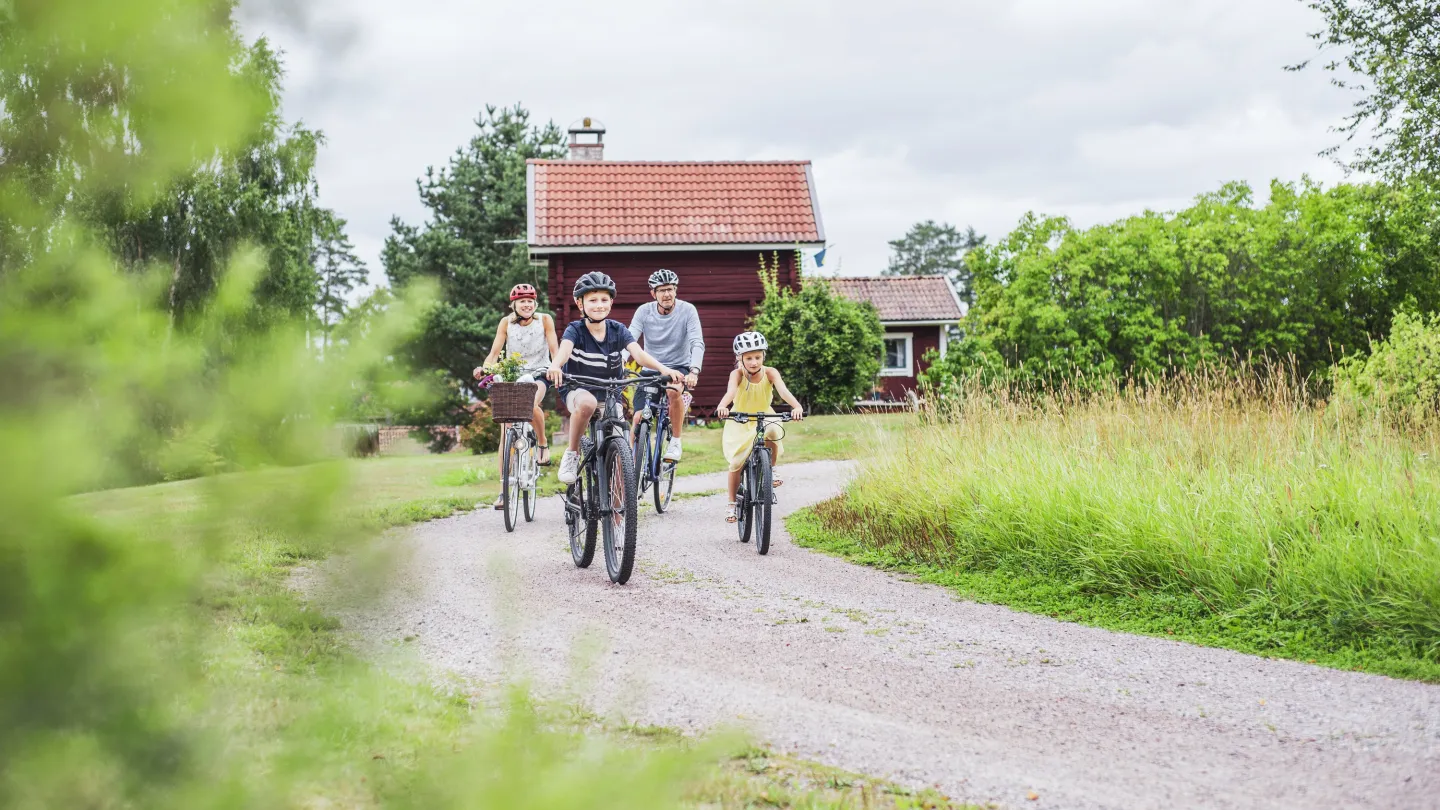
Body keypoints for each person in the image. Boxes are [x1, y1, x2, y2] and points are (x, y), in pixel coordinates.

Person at [547, 272, 683, 485]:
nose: (599, 305)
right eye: (592, 300)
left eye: (603, 299)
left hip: (610, 393)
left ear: (611, 302)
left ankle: (620, 510)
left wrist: (664, 369)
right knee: (588, 403)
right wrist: (555, 366)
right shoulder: (576, 330)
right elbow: (564, 352)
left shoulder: (618, 330)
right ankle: (572, 453)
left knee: (622, 450)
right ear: (579, 303)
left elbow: (638, 354)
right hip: (579, 389)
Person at [474, 283, 558, 509]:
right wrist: (485, 368)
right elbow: (494, 353)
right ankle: (503, 490)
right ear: (514, 305)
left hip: (540, 373)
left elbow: (554, 349)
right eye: (522, 301)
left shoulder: (545, 320)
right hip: (513, 374)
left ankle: (541, 443)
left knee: (530, 405)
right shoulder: (506, 323)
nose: (527, 304)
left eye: (530, 300)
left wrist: (557, 366)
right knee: (505, 430)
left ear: (535, 303)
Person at [714, 331, 804, 523]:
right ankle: (731, 503)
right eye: (749, 358)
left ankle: (772, 468)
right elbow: (731, 393)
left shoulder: (770, 372)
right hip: (741, 419)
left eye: (757, 357)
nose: (754, 362)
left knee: (772, 430)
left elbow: (783, 390)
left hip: (765, 414)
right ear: (740, 358)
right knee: (736, 462)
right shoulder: (736, 374)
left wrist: (796, 406)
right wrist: (723, 406)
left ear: (764, 355)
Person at [628, 268, 703, 461]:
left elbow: (697, 342)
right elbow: (630, 339)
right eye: (661, 290)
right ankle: (629, 466)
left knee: (672, 391)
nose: (667, 294)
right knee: (637, 418)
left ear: (676, 290)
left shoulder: (688, 310)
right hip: (650, 369)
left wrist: (694, 370)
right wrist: (619, 360)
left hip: (679, 367)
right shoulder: (644, 312)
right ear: (653, 293)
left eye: (670, 289)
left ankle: (676, 442)